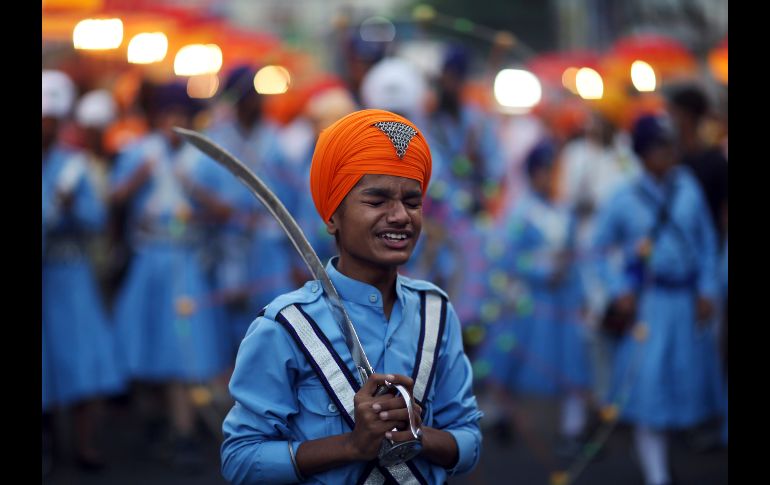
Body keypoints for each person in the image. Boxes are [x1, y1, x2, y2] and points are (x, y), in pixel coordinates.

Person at [221, 109, 483, 484]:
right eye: (376, 202)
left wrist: (418, 436)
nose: (399, 216)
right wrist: (352, 446)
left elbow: (469, 439)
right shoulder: (285, 325)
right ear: (332, 217)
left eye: (412, 202)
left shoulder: (436, 311)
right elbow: (240, 461)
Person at [592, 114, 725, 485]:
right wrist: (619, 289)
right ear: (642, 153)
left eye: (670, 147)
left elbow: (706, 242)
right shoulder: (623, 196)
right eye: (658, 148)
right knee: (648, 384)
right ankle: (656, 472)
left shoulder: (688, 186)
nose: (667, 155)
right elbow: (599, 249)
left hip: (685, 303)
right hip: (648, 304)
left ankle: (658, 457)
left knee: (682, 382)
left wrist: (707, 289)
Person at [109, 81, 229, 468]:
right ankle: (157, 417)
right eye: (167, 114)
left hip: (185, 261)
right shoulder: (138, 152)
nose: (173, 121)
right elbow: (114, 198)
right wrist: (138, 179)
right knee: (145, 340)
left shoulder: (203, 157)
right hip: (149, 260)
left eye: (180, 114)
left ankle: (181, 430)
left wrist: (194, 190)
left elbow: (228, 210)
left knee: (182, 345)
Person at [42, 70, 126, 472]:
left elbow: (97, 218)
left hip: (70, 273)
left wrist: (72, 205)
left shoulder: (72, 165)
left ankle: (84, 444)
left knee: (82, 358)